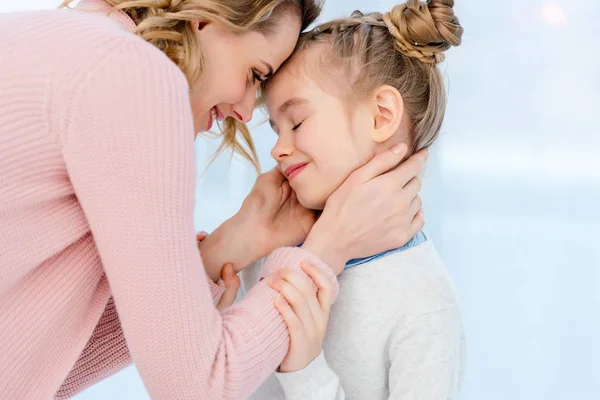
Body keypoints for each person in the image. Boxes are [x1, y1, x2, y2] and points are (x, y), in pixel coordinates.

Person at [0, 0, 428, 399]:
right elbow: (199, 388)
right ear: (207, 17)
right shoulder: (130, 73)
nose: (244, 110)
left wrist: (223, 250)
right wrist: (329, 249)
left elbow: (30, 372)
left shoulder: (42, 36)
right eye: (256, 74)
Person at [235, 1, 466, 398]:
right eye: (275, 130)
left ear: (380, 115)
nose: (277, 150)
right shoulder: (269, 253)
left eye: (297, 122)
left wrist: (305, 371)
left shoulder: (424, 304)